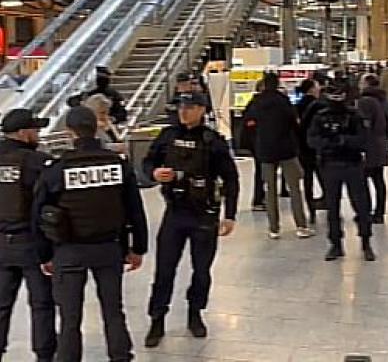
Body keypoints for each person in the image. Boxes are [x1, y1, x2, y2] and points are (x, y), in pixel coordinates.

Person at [33, 106, 148, 362]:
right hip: (109, 248)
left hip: (69, 251)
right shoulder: (117, 165)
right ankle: (120, 357)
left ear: (69, 132)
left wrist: (44, 255)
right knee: (113, 311)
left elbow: (38, 215)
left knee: (70, 317)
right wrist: (138, 248)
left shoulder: (57, 169)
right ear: (96, 127)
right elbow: (134, 209)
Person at [143, 92, 239, 346]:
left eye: (190, 107)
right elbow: (147, 162)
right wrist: (154, 172)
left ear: (202, 110)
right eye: (181, 107)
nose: (184, 112)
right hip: (175, 212)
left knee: (201, 270)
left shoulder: (213, 141)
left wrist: (230, 215)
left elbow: (231, 178)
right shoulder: (168, 136)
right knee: (164, 269)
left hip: (204, 214)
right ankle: (157, 318)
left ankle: (195, 313)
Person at [0, 109, 56, 362]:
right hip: (31, 243)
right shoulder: (37, 162)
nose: (38, 133)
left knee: (1, 306)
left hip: (1, 244)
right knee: (42, 304)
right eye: (35, 129)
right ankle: (44, 356)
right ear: (23, 133)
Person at [308, 83, 375, 262]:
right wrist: (330, 143)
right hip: (331, 164)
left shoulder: (354, 116)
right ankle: (336, 243)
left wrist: (342, 141)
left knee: (361, 205)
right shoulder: (320, 117)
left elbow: (363, 140)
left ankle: (366, 241)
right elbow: (312, 140)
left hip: (352, 163)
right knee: (332, 206)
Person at [245, 73, 312, 239]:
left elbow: (248, 123)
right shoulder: (283, 100)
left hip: (265, 151)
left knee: (270, 190)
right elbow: (293, 122)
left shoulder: (256, 102)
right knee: (295, 188)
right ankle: (301, 226)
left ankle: (273, 228)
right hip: (286, 149)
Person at [358, 75, 388, 225]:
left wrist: (360, 145)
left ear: (366, 84)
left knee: (362, 181)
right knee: (379, 180)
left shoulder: (365, 101)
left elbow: (365, 125)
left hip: (369, 146)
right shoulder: (383, 99)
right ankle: (379, 213)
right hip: (381, 143)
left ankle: (366, 212)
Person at [296, 79, 326, 223]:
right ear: (311, 89)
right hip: (318, 147)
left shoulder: (298, 105)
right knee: (324, 177)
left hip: (303, 148)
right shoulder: (319, 106)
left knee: (307, 180)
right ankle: (329, 203)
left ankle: (311, 209)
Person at [242, 79, 266, 211]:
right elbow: (250, 123)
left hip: (257, 142)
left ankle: (261, 197)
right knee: (261, 171)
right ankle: (258, 199)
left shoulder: (255, 103)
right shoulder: (256, 104)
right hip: (258, 143)